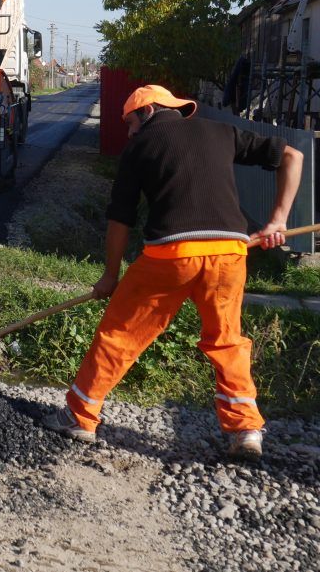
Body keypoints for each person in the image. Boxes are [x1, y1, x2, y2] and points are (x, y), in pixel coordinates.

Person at [41, 85, 303, 460]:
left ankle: (79, 416)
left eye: (130, 122)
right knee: (227, 341)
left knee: (120, 335)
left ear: (148, 112)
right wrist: (278, 220)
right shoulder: (221, 131)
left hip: (172, 255)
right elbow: (293, 155)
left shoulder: (139, 148)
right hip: (230, 252)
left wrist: (110, 276)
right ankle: (245, 429)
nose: (129, 132)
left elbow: (120, 221)